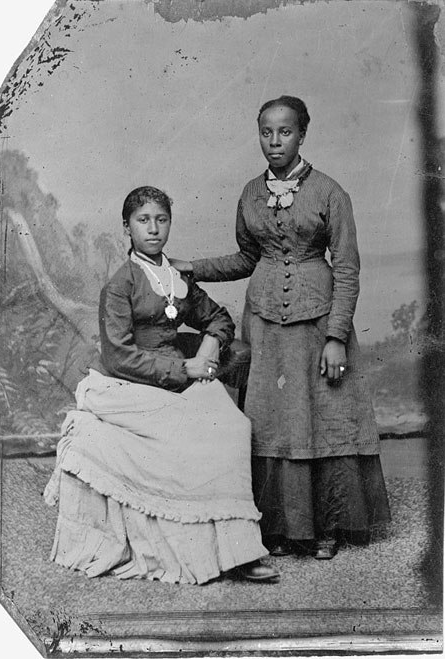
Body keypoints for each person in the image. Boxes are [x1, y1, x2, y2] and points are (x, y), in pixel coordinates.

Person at [171, 96, 391, 560]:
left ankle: (327, 528)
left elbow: (347, 268)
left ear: (302, 134)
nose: (275, 141)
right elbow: (247, 258)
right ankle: (280, 529)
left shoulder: (331, 192)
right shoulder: (251, 192)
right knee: (272, 421)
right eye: (266, 133)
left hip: (318, 324)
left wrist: (336, 337)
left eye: (285, 132)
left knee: (323, 417)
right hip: (266, 324)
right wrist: (194, 266)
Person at [44, 185, 279, 584]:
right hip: (126, 384)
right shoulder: (120, 284)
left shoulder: (177, 278)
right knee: (186, 434)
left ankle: (238, 549)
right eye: (143, 220)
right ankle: (205, 551)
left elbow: (219, 318)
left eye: (161, 219)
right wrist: (183, 371)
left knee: (234, 426)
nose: (153, 229)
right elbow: (119, 356)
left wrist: (207, 349)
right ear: (127, 227)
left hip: (180, 375)